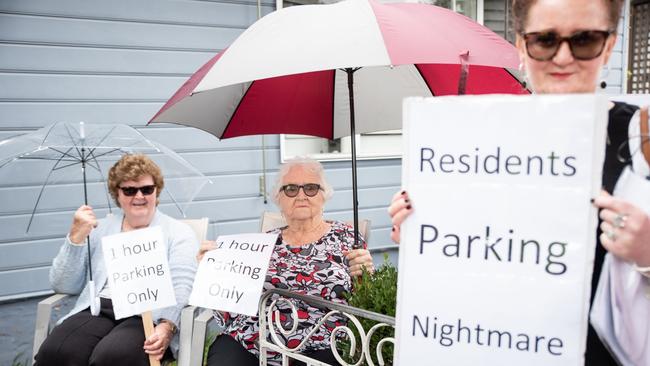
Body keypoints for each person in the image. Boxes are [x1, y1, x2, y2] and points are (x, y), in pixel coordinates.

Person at [389, 0, 650, 365]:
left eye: (584, 40)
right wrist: (421, 232)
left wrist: (647, 254)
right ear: (520, 45)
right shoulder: (478, 138)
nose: (562, 57)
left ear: (609, 45)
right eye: (545, 40)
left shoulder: (642, 139)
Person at [198, 157, 374, 366]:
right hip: (256, 341)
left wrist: (366, 273)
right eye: (290, 189)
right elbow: (232, 305)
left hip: (323, 344)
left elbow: (366, 300)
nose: (301, 195)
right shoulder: (260, 244)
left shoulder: (346, 237)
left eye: (310, 188)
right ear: (278, 198)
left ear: (324, 195)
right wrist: (211, 272)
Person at [35, 154, 199, 366]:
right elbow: (63, 284)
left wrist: (167, 325)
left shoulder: (178, 232)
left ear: (156, 190)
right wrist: (75, 238)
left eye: (147, 189)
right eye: (129, 190)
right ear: (117, 193)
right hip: (99, 308)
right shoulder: (99, 228)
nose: (139, 196)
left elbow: (182, 284)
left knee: (113, 357)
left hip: (147, 315)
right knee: (56, 351)